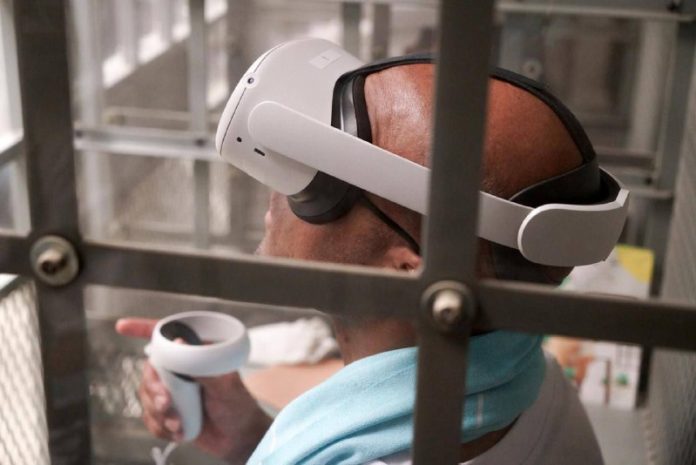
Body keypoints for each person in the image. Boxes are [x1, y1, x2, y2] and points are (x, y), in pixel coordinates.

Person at [117, 61, 604, 464]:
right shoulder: (529, 382)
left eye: (318, 172)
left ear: (412, 263)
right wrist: (248, 439)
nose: (277, 186)